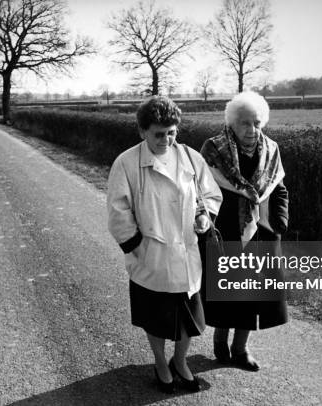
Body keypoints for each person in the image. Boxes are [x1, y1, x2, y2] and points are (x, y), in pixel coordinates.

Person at [107, 96, 222, 393]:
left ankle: (180, 361)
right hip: (151, 256)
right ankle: (160, 362)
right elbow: (118, 210)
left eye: (171, 132)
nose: (166, 139)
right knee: (155, 318)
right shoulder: (127, 163)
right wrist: (136, 246)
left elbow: (210, 195)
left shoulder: (190, 157)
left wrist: (203, 218)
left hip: (186, 254)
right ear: (142, 131)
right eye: (159, 133)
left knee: (189, 317)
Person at [199, 91, 289, 372]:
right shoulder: (213, 150)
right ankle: (219, 341)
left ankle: (240, 348)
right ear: (232, 123)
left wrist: (279, 222)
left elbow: (280, 189)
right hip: (225, 231)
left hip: (261, 232)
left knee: (253, 295)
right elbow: (200, 190)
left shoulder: (271, 149)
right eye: (245, 123)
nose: (252, 130)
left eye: (257, 123)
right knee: (227, 292)